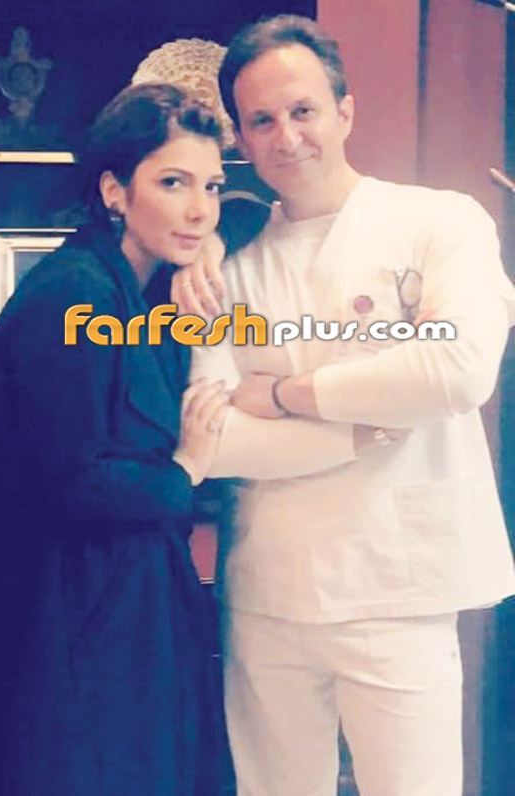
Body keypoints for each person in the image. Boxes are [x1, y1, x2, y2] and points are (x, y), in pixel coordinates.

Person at [174, 14, 515, 796]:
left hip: (401, 586)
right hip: (270, 590)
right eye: (262, 120)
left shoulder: (440, 220)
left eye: (303, 111)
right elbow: (213, 433)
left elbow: (459, 369)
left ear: (345, 111)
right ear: (240, 138)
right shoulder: (227, 267)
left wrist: (287, 394)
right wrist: (369, 423)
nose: (287, 137)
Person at [0, 82, 230, 796]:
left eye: (210, 185)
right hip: (74, 616)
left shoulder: (136, 290)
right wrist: (186, 468)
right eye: (172, 183)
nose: (199, 208)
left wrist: (210, 249)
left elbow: (245, 226)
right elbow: (72, 480)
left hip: (120, 602)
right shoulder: (75, 293)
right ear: (115, 190)